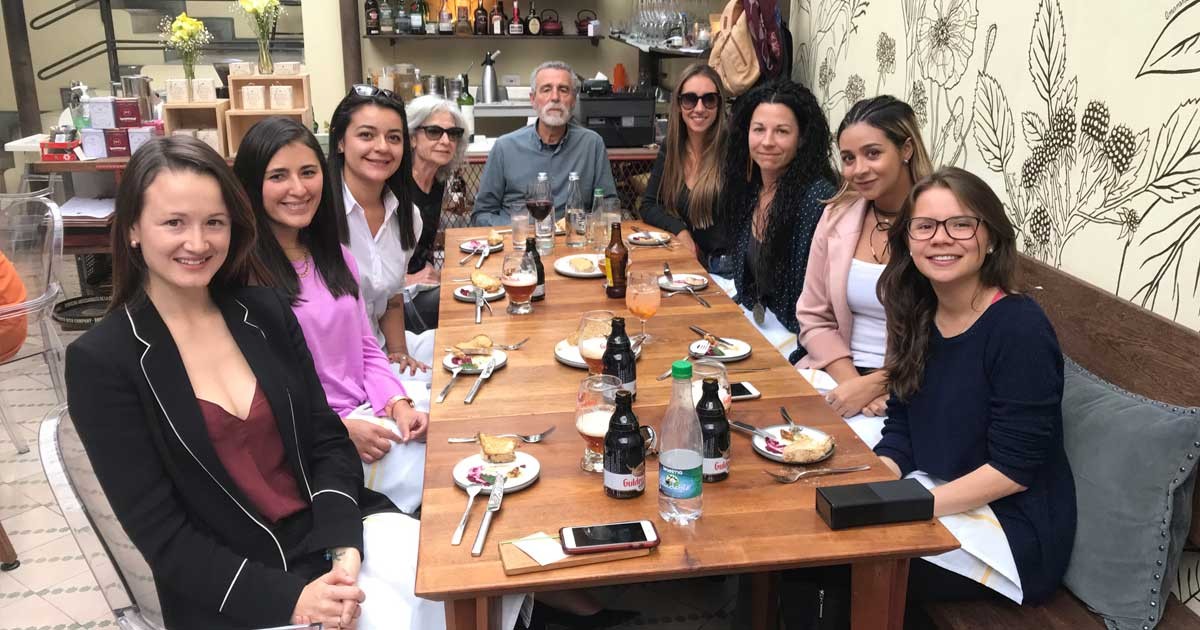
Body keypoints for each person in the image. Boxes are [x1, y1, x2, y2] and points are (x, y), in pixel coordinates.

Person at [62, 136, 522, 629]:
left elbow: (325, 440)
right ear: (133, 228)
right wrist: (295, 600)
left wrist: (345, 550)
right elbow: (164, 538)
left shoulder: (263, 312)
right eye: (174, 222)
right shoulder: (104, 361)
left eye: (214, 222)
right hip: (241, 584)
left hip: (328, 534)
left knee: (469, 580)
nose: (197, 243)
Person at [875, 167, 1076, 607]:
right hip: (937, 494)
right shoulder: (919, 312)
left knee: (849, 565)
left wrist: (905, 506)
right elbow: (901, 426)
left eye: (961, 224)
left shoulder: (1019, 327)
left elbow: (1013, 470)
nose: (940, 238)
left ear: (991, 239)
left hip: (1010, 532)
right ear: (908, 240)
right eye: (924, 226)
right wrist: (876, 485)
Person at [234, 117, 429, 514]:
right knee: (446, 474)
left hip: (365, 412)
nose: (299, 189)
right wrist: (338, 432)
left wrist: (398, 404)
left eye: (308, 172)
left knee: (457, 429)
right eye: (278, 176)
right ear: (251, 185)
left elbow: (365, 349)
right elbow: (256, 397)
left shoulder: (335, 258)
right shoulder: (244, 277)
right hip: (311, 443)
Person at [795, 95, 933, 418]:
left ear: (906, 150)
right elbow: (813, 315)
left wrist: (876, 385)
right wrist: (852, 383)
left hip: (913, 388)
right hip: (836, 375)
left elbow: (949, 331)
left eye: (872, 153)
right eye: (848, 158)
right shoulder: (836, 217)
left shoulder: (938, 225)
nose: (859, 169)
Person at [720, 79, 837, 345]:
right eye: (758, 129)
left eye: (782, 131)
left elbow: (815, 312)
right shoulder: (750, 188)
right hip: (758, 324)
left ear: (802, 138)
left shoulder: (816, 200)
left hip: (798, 339)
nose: (767, 141)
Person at [329, 85, 432, 379]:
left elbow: (393, 297)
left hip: (380, 356)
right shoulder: (317, 213)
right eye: (366, 135)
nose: (382, 147)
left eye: (394, 138)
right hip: (338, 374)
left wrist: (399, 354)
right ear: (340, 142)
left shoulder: (407, 217)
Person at [471, 61, 617, 226]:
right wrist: (519, 227)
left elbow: (608, 207)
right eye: (546, 89)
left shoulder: (592, 144)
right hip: (517, 244)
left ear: (574, 100)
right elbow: (481, 215)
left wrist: (581, 223)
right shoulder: (505, 147)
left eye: (563, 90)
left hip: (575, 244)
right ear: (533, 99)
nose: (555, 97)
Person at [639, 63, 730, 273]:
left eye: (709, 100)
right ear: (679, 105)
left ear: (719, 104)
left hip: (726, 269)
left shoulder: (733, 150)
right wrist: (680, 231)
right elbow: (649, 204)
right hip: (688, 263)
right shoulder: (672, 147)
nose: (699, 108)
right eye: (690, 99)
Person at [404, 95, 470, 332]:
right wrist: (407, 280)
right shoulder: (395, 186)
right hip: (393, 301)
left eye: (453, 133)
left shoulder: (437, 180)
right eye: (434, 132)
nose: (445, 140)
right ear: (412, 137)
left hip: (424, 287)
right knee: (470, 303)